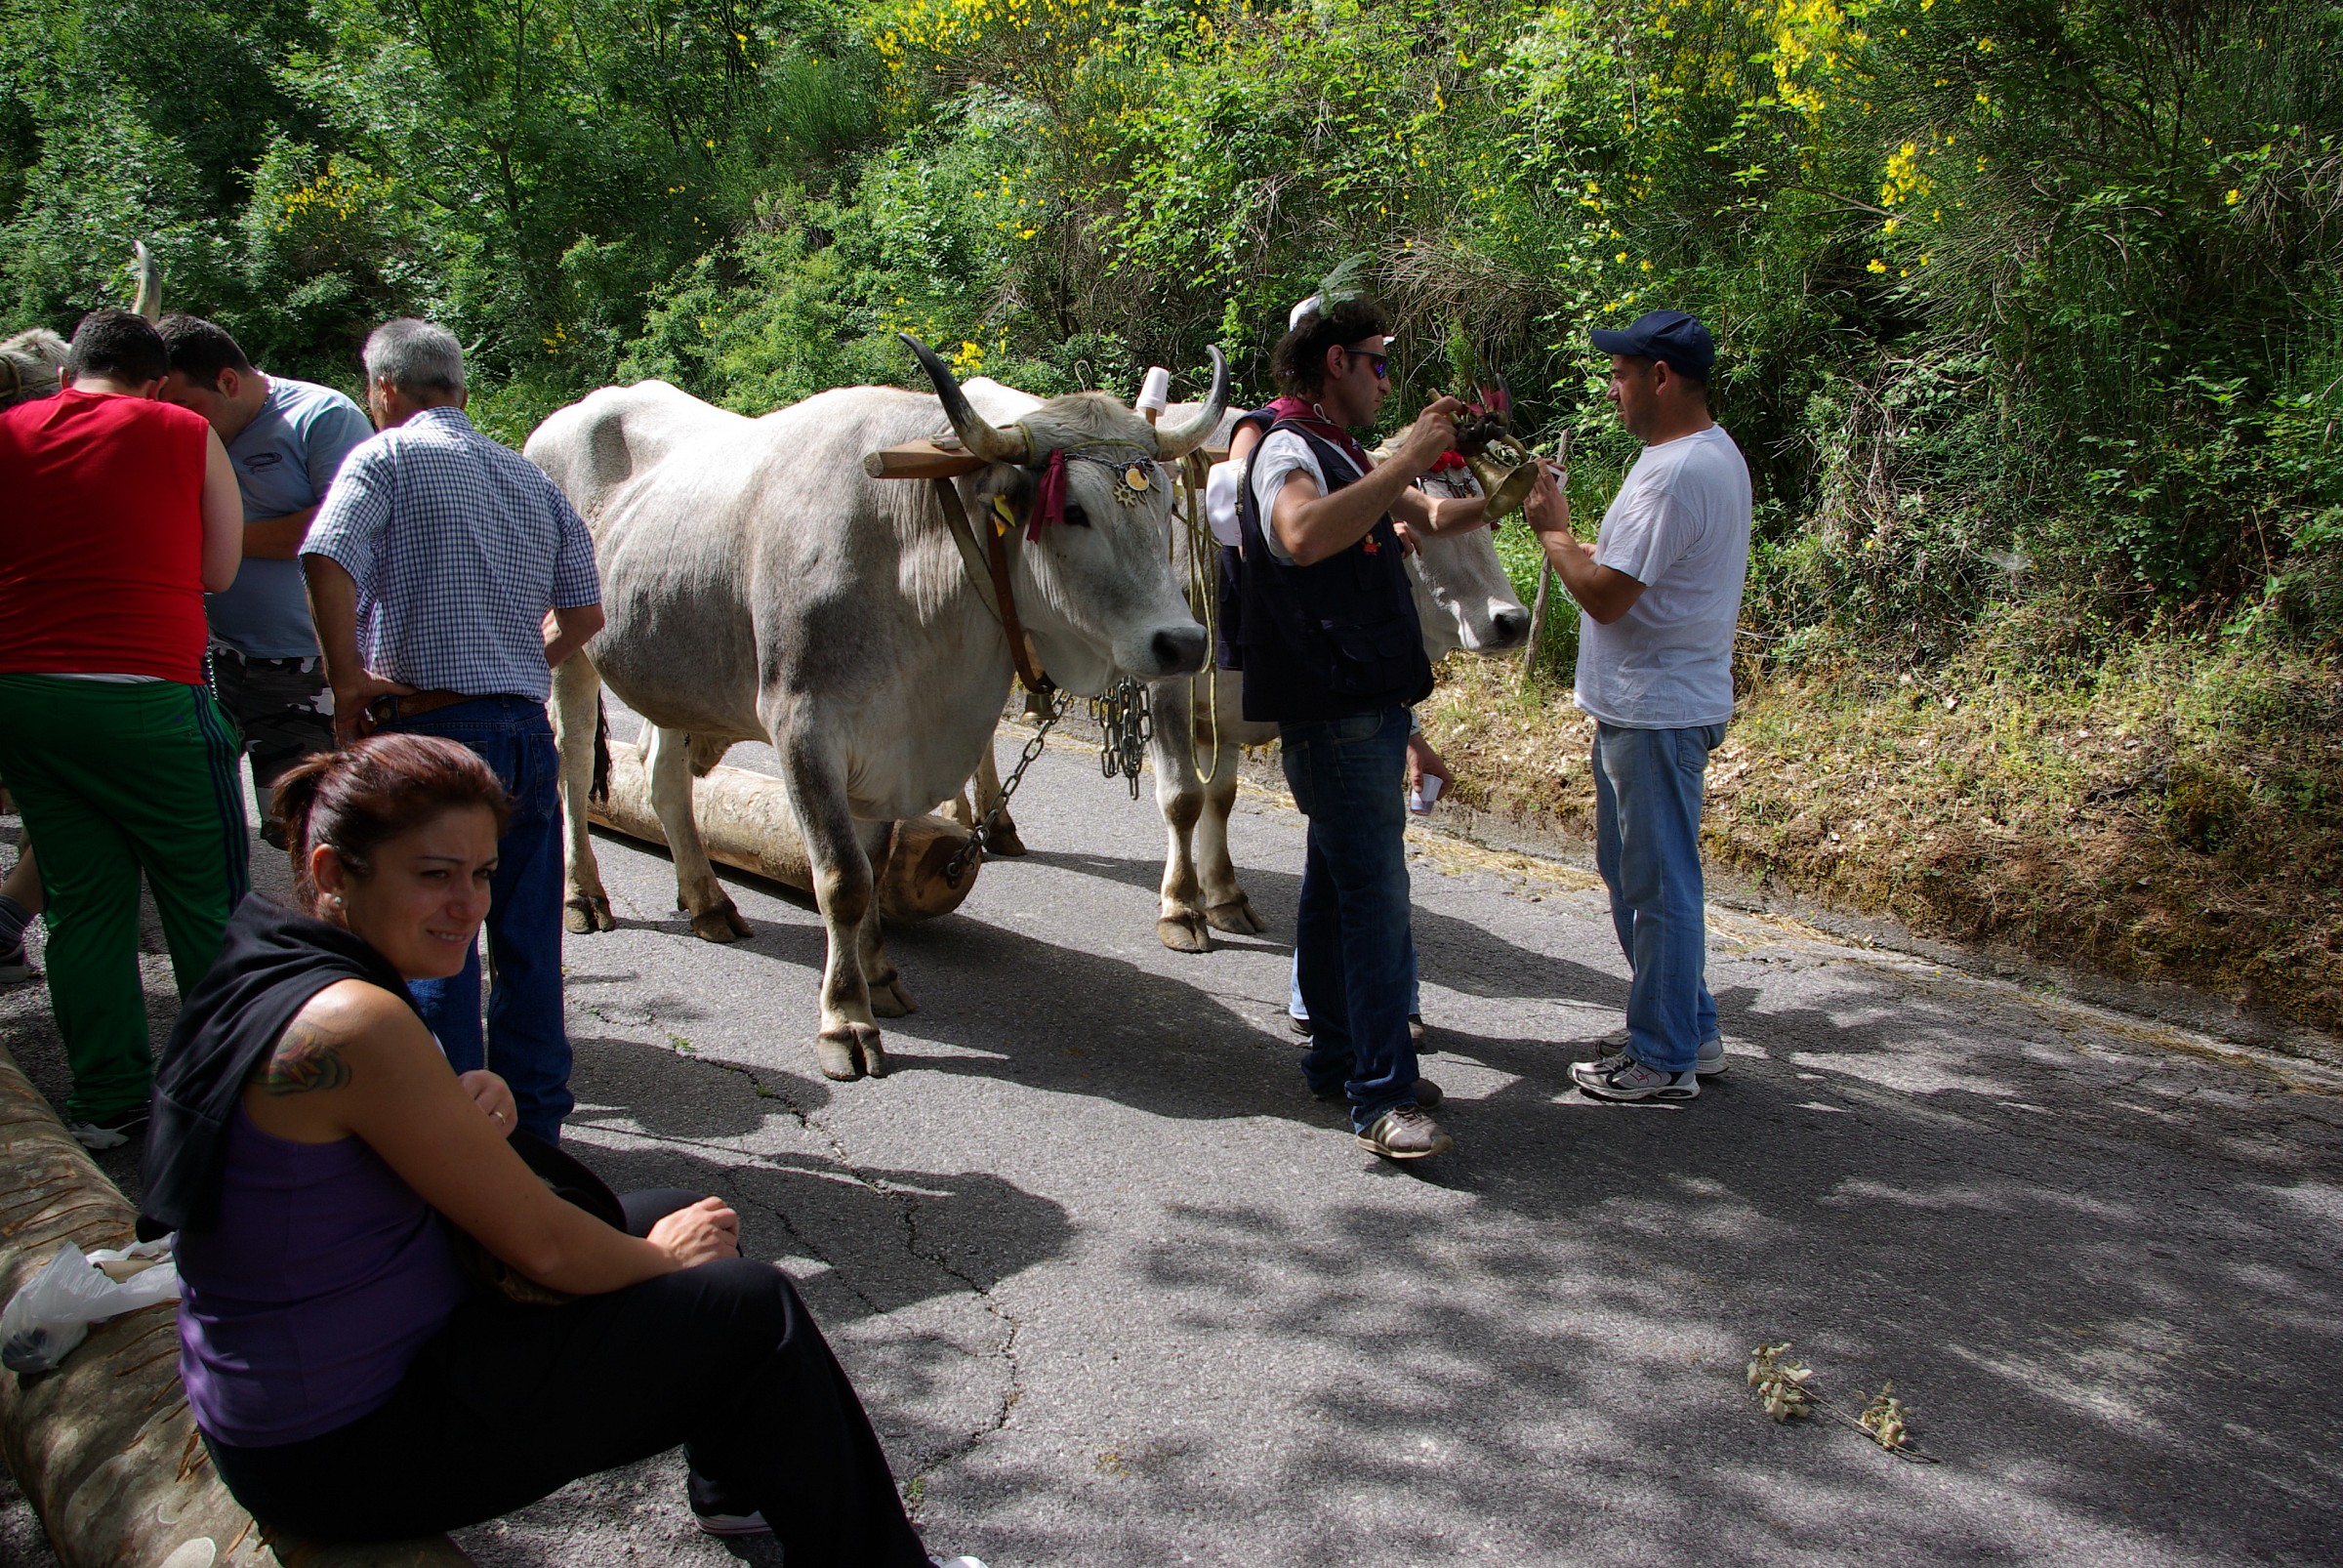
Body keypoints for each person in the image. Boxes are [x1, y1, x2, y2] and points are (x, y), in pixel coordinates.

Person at [140, 735, 982, 1567]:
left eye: (481, 875)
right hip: (341, 1448)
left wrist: (455, 1108)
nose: (467, 905)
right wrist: (656, 1261)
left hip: (298, 1397)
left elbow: (337, 1157)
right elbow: (539, 1242)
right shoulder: (357, 1022)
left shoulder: (276, 958)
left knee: (660, 1209)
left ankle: (737, 1489)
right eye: (433, 875)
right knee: (747, 1305)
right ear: (332, 874)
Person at [301, 317, 605, 1144]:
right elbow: (585, 610)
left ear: (384, 390)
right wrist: (520, 655)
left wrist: (346, 680)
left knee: (434, 935)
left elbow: (324, 555)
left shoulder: (385, 457)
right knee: (528, 938)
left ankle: (444, 1133)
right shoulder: (527, 479)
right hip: (519, 730)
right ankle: (534, 1128)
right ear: (462, 393)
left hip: (431, 735)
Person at [1231, 293, 1491, 1160]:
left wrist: (1509, 487)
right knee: (1375, 898)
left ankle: (1338, 1058)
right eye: (1377, 361)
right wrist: (1405, 459)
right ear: (1334, 362)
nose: (1388, 377)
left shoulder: (1340, 448)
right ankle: (1383, 1095)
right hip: (1334, 708)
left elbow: (1437, 516)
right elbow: (1299, 535)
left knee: (1337, 885)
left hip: (1366, 706)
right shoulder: (1288, 448)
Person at [0, 308, 247, 1148]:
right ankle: (227, 1104)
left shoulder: (9, 431)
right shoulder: (180, 430)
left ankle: (107, 1103)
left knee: (81, 901)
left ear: (69, 374)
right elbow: (218, 570)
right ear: (153, 381)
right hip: (148, 693)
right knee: (206, 903)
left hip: (27, 696)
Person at [1520, 309, 1751, 1101]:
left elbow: (1607, 596)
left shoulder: (1676, 471)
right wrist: (1568, 534)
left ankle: (1662, 1058)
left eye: (1620, 374)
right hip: (1653, 707)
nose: (1611, 389)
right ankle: (1693, 1030)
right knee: (1638, 877)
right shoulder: (1695, 455)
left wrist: (1552, 532)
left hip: (1655, 713)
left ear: (1660, 377)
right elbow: (1624, 570)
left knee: (1658, 889)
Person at [159, 315, 375, 835]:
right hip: (213, 658)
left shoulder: (321, 416)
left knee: (305, 827)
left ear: (228, 381)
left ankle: (315, 919)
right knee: (193, 818)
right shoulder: (186, 429)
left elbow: (332, 531)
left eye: (189, 407)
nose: (183, 422)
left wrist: (208, 542)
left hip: (303, 664)